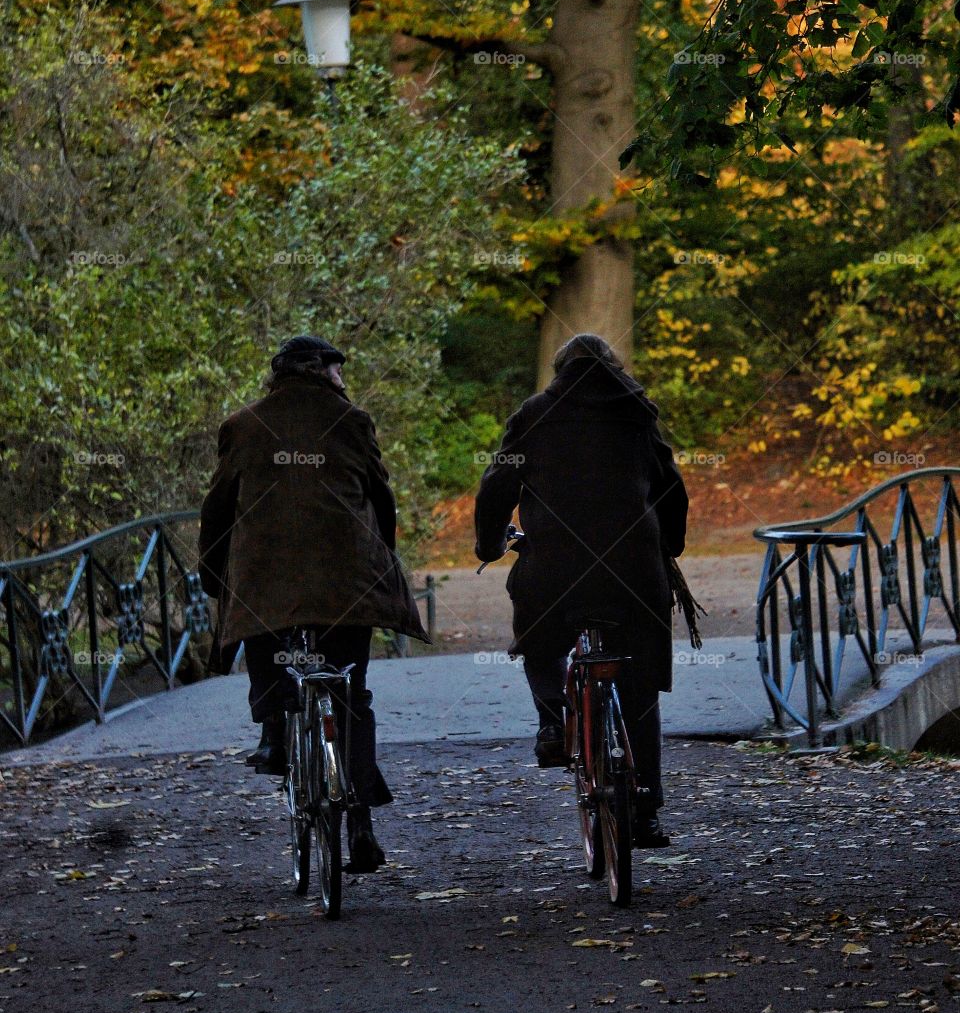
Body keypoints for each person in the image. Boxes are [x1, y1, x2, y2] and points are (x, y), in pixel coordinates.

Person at [198, 334, 428, 872]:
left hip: (267, 577)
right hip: (347, 580)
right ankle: (362, 827)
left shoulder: (243, 424)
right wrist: (384, 554)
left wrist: (214, 572)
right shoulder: (352, 421)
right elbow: (380, 495)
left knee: (265, 635)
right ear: (322, 372)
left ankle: (274, 732)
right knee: (351, 692)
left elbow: (218, 507)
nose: (342, 380)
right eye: (337, 370)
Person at [473, 333, 688, 848]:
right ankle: (646, 811)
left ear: (560, 369)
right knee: (638, 686)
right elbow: (671, 487)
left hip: (555, 568)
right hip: (634, 571)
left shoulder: (535, 413)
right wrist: (669, 546)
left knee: (539, 638)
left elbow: (497, 486)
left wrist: (489, 545)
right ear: (612, 367)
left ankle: (552, 721)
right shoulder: (637, 412)